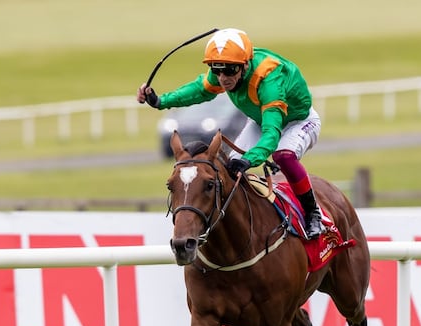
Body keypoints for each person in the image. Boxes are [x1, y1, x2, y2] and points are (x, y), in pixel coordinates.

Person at [137, 28, 325, 238]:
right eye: (216, 70)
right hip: (260, 120)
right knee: (228, 170)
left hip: (298, 121)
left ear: (245, 65)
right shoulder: (226, 66)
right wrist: (160, 101)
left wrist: (249, 159)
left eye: (229, 71)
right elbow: (199, 90)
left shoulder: (268, 80)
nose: (223, 78)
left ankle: (312, 213)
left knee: (283, 156)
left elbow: (272, 133)